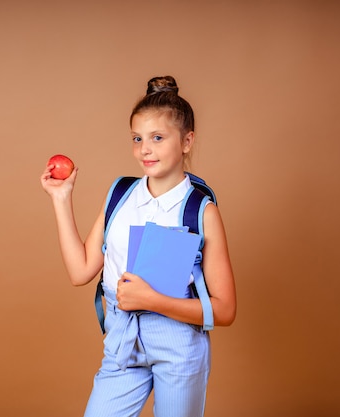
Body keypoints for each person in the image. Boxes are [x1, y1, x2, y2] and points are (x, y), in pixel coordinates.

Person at [40, 75, 236, 417]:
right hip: (121, 336)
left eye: (157, 138)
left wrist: (152, 300)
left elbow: (225, 310)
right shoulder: (121, 194)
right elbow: (80, 271)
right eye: (137, 138)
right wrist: (61, 198)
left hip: (177, 343)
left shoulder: (201, 210)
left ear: (187, 141)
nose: (145, 149)